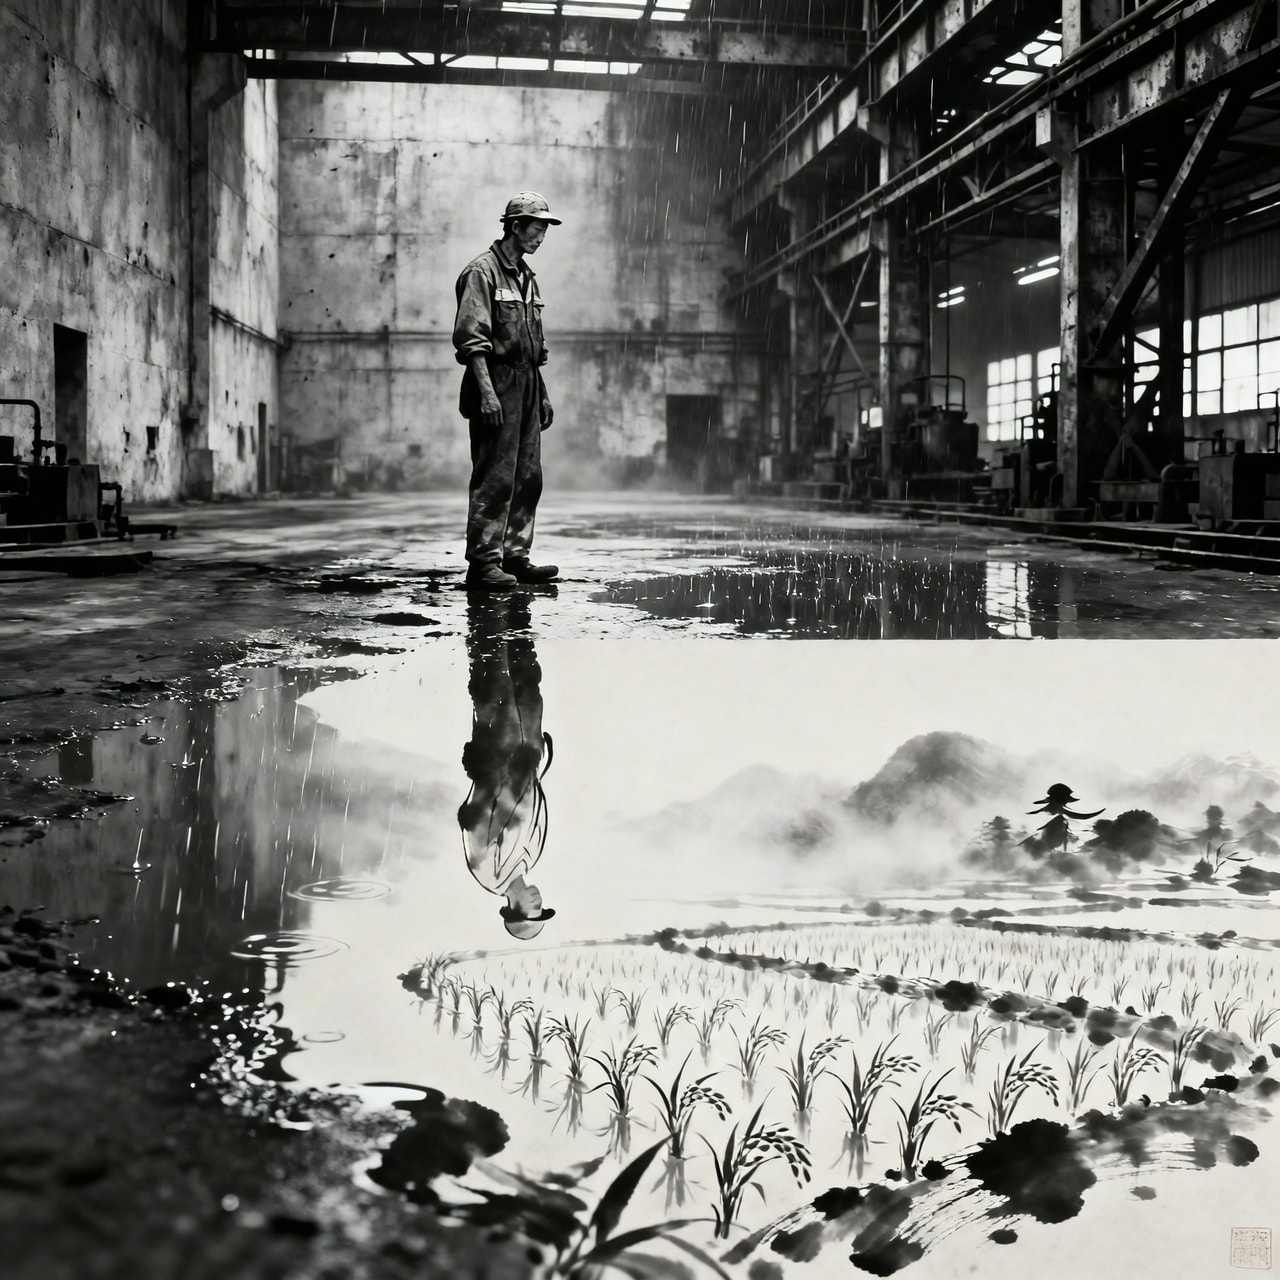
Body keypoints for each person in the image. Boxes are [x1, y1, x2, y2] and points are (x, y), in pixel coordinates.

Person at [453, 192, 562, 590]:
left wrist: (542, 393)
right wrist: (486, 392)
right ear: (515, 226)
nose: (540, 237)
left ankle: (515, 557)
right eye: (537, 229)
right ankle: (483, 562)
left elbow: (534, 346)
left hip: (528, 383)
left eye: (544, 231)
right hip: (495, 381)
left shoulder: (527, 276)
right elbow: (472, 340)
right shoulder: (482, 273)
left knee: (528, 476)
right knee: (495, 477)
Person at [457, 593, 556, 939]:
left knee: (494, 685)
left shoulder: (486, 870)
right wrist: (535, 760)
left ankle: (484, 609)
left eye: (534, 911)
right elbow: (534, 800)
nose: (539, 903)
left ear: (516, 912)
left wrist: (496, 763)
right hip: (527, 754)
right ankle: (517, 609)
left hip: (499, 755)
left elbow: (476, 812)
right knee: (528, 686)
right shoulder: (532, 857)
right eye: (542, 909)